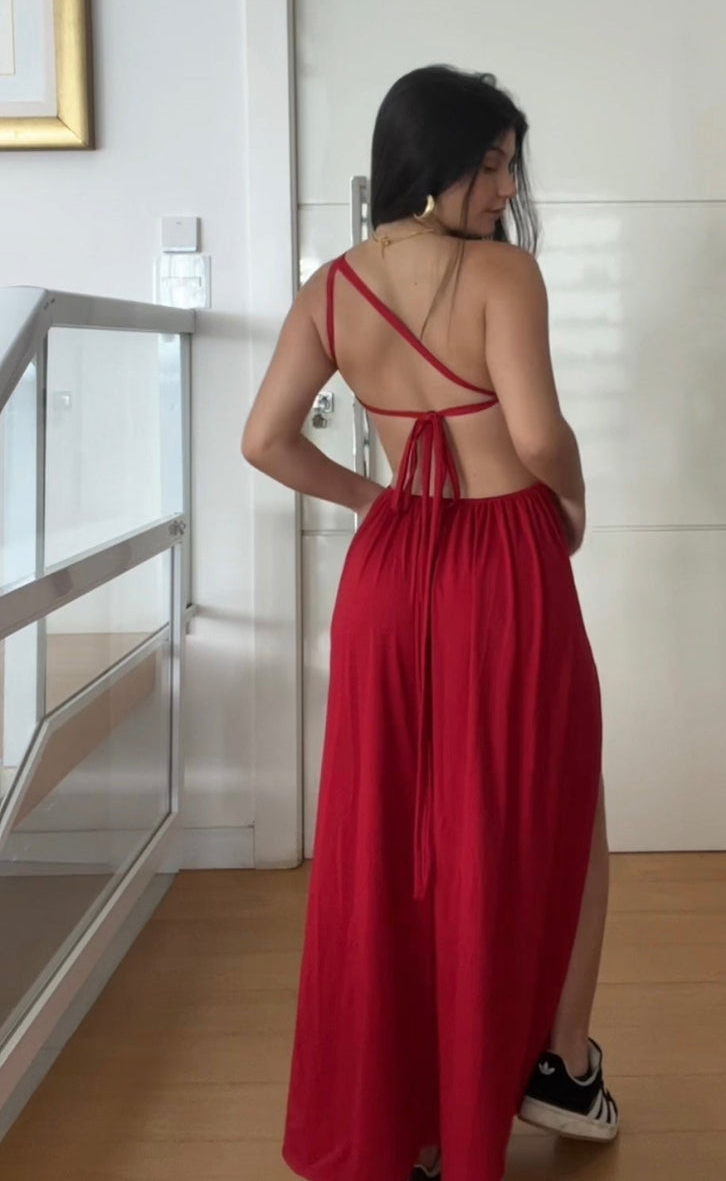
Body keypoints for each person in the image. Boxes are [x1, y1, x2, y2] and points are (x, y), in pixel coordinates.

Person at [242, 65, 618, 1181]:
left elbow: (264, 439)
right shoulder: (502, 274)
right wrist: (573, 499)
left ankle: (406, 1116)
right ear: (431, 162)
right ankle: (561, 1066)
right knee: (554, 809)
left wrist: (374, 498)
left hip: (392, 572)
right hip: (502, 563)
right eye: (489, 165)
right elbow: (536, 434)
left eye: (511, 165)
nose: (507, 189)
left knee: (394, 837)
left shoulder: (333, 288)